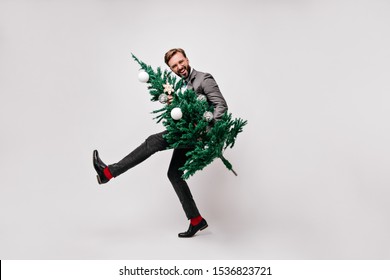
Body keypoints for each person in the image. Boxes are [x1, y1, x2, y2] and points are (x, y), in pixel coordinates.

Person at [93, 48, 228, 238]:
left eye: (181, 62)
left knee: (153, 142)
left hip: (196, 133)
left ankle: (108, 172)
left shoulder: (204, 79)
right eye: (174, 66)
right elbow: (184, 111)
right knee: (174, 174)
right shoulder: (180, 84)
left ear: (187, 59)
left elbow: (220, 105)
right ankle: (196, 221)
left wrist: (208, 131)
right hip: (186, 131)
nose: (179, 67)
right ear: (171, 69)